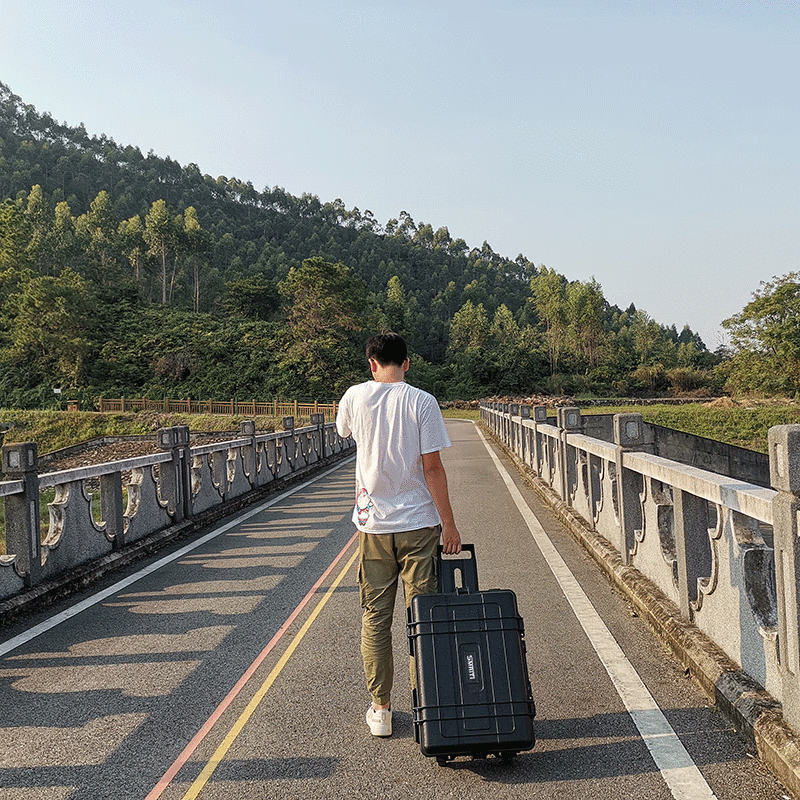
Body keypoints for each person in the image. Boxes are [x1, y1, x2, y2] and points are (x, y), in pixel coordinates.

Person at [336, 332, 462, 738]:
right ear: (407, 363)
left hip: (372, 526)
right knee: (422, 616)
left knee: (375, 618)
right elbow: (432, 469)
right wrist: (450, 524)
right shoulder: (423, 402)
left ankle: (382, 709)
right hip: (419, 526)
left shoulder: (354, 397)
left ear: (371, 363)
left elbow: (344, 432)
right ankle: (429, 703)